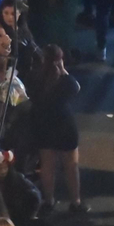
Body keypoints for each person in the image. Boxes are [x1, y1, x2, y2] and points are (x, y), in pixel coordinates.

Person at [30, 44, 85, 215]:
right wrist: (63, 70)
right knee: (71, 165)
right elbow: (76, 88)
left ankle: (49, 200)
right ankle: (75, 201)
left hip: (43, 125)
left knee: (47, 165)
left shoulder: (35, 78)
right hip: (64, 126)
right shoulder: (64, 81)